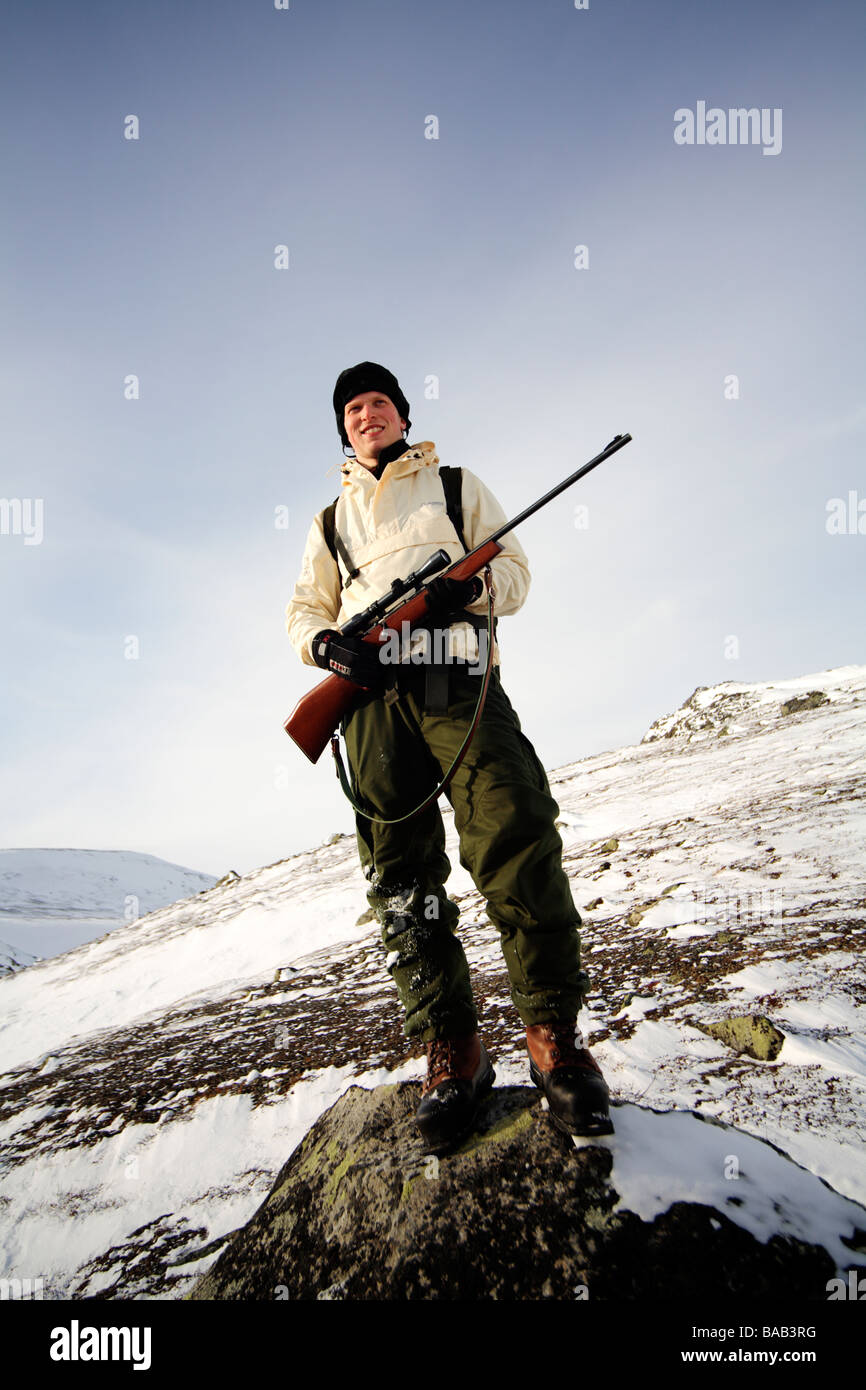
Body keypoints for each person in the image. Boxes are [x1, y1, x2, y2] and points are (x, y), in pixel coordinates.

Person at [285, 362, 613, 1152]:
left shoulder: (458, 485)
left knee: (513, 826)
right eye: (354, 408)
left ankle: (552, 1039)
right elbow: (304, 611)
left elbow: (514, 575)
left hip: (459, 680)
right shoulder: (329, 521)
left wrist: (466, 592)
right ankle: (452, 1051)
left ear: (403, 415)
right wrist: (332, 648)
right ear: (345, 429)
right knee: (398, 871)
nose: (368, 415)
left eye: (379, 404)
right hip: (367, 707)